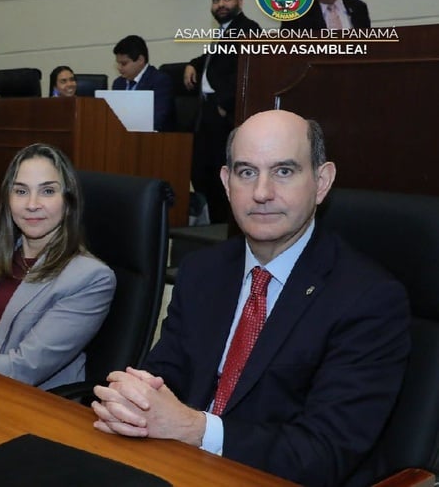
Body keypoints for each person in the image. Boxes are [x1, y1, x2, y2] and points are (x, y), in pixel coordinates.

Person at [91, 110, 410, 486]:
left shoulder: (369, 299)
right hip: (179, 466)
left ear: (321, 182)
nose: (261, 193)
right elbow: (168, 372)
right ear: (226, 183)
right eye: (246, 172)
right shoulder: (201, 271)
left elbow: (324, 452)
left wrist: (195, 429)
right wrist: (135, 398)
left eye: (284, 171)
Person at [0, 144, 115, 389]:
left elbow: (26, 367)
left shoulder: (90, 278)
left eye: (47, 191)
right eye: (21, 191)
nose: (32, 204)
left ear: (68, 201)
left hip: (30, 402)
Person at [184, 0, 261, 224]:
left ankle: (223, 230)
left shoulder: (248, 28)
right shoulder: (224, 31)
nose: (221, 4)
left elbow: (249, 70)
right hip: (206, 112)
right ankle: (212, 228)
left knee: (221, 178)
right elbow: (211, 59)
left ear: (240, 2)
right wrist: (193, 64)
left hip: (223, 114)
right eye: (216, 0)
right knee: (201, 172)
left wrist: (223, 103)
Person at [110, 35, 173, 131]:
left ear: (140, 60)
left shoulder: (159, 81)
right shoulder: (118, 83)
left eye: (124, 64)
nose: (119, 68)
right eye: (118, 63)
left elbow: (157, 120)